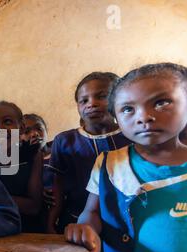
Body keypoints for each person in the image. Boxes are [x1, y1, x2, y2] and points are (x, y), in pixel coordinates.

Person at [65, 63, 187, 252]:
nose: (144, 117)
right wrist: (85, 228)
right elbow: (92, 212)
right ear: (116, 118)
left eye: (161, 102)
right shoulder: (109, 164)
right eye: (128, 109)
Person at [47, 72, 131, 234]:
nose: (91, 104)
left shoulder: (131, 136)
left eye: (102, 96)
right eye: (83, 101)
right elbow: (58, 186)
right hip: (76, 219)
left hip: (127, 221)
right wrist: (51, 222)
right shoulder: (65, 140)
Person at [0, 101, 43, 232]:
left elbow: (33, 207)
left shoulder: (33, 155)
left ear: (21, 128)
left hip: (26, 231)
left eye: (7, 122)